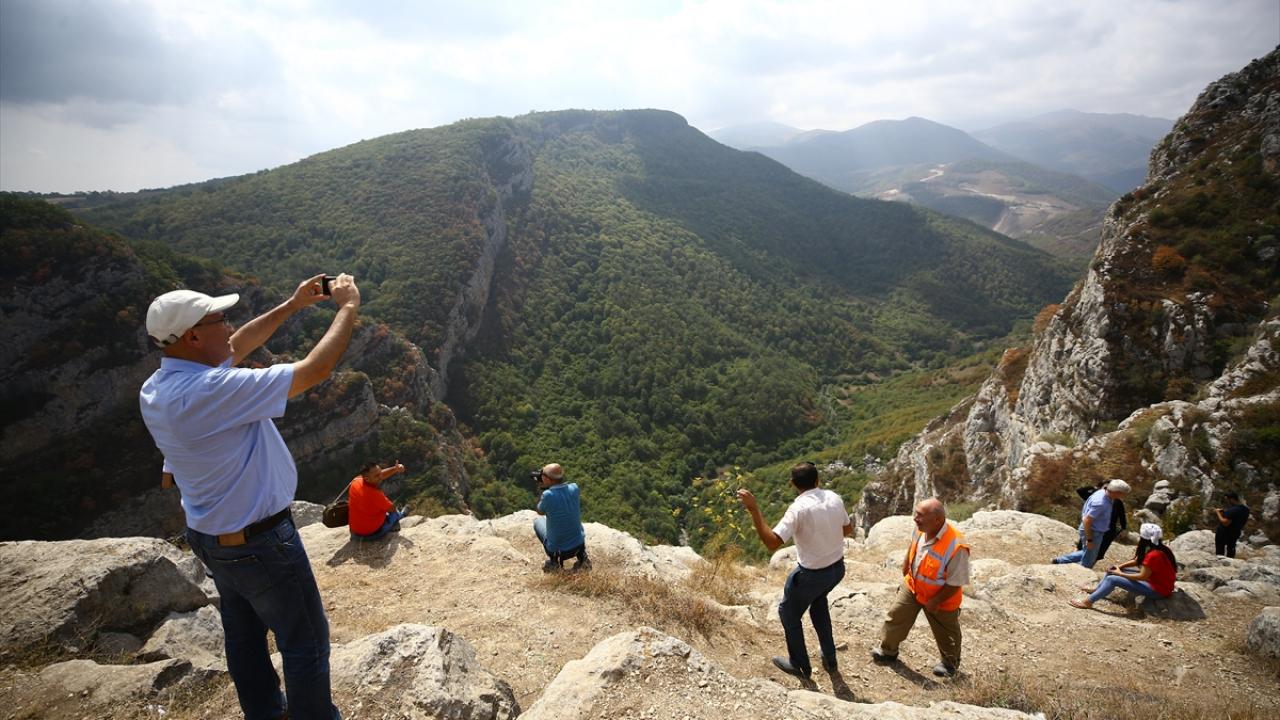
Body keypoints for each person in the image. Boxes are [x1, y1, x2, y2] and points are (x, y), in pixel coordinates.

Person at [139, 274, 360, 720]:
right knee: (306, 642)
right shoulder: (208, 392)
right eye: (220, 319)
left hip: (210, 536)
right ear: (194, 335)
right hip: (261, 543)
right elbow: (316, 369)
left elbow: (235, 347)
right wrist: (348, 308)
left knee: (243, 637)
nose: (229, 325)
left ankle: (264, 714)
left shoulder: (159, 388)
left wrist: (292, 305)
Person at [738, 462, 852, 680]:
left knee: (788, 613)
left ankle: (799, 664)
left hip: (811, 575)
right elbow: (847, 529)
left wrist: (754, 509)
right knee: (818, 604)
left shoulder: (798, 509)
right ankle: (830, 657)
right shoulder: (834, 498)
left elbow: (772, 542)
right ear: (818, 480)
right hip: (837, 569)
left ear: (792, 484)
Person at [870, 498, 970, 678]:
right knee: (896, 616)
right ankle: (888, 651)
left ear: (937, 520)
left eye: (920, 515)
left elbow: (956, 582)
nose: (915, 518)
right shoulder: (921, 528)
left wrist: (936, 600)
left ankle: (949, 664)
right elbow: (913, 545)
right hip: (914, 586)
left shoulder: (957, 546)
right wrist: (906, 563)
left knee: (947, 634)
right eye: (916, 513)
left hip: (941, 598)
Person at [1070, 523, 1177, 610]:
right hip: (1156, 583)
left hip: (1158, 590)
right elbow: (1137, 561)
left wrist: (1120, 573)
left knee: (1113, 579)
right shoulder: (1161, 548)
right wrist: (1119, 567)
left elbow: (1142, 576)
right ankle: (1098, 590)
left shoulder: (1153, 555)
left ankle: (1088, 602)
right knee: (1113, 570)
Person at [1053, 479, 1130, 568]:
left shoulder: (1102, 493)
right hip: (1093, 531)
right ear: (1117, 492)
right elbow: (1087, 520)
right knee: (1089, 560)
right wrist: (1090, 540)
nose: (1123, 496)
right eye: (1123, 493)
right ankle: (1081, 573)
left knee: (1089, 553)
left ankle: (1059, 560)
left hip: (1095, 530)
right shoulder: (1101, 503)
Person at [533, 463, 590, 572]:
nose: (541, 476)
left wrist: (541, 489)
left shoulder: (548, 495)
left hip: (559, 551)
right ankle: (582, 556)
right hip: (578, 545)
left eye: (543, 475)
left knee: (538, 522)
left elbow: (539, 511)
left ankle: (554, 562)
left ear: (549, 480)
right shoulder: (574, 487)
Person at [349, 461, 408, 540]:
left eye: (380, 472)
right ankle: (402, 514)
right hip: (371, 534)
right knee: (395, 513)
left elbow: (379, 475)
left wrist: (395, 469)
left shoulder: (356, 481)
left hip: (354, 532)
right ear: (367, 478)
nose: (381, 476)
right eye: (377, 475)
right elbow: (391, 509)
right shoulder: (374, 494)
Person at [1076, 479, 1126, 561]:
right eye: (1106, 487)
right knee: (1084, 549)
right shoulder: (1096, 497)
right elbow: (1080, 491)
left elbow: (1122, 516)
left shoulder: (1117, 502)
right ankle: (1070, 564)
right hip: (1093, 528)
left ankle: (1085, 567)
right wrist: (1096, 488)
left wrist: (1123, 529)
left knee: (1098, 554)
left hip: (1108, 532)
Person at [1214, 492, 1250, 558]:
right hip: (1236, 532)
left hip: (1224, 533)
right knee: (1231, 548)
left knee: (1220, 549)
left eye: (1227, 500)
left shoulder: (1233, 510)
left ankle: (1220, 562)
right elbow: (1236, 518)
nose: (1226, 502)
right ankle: (1230, 561)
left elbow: (1225, 522)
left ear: (1232, 499)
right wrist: (1225, 513)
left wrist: (1218, 513)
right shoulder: (1245, 509)